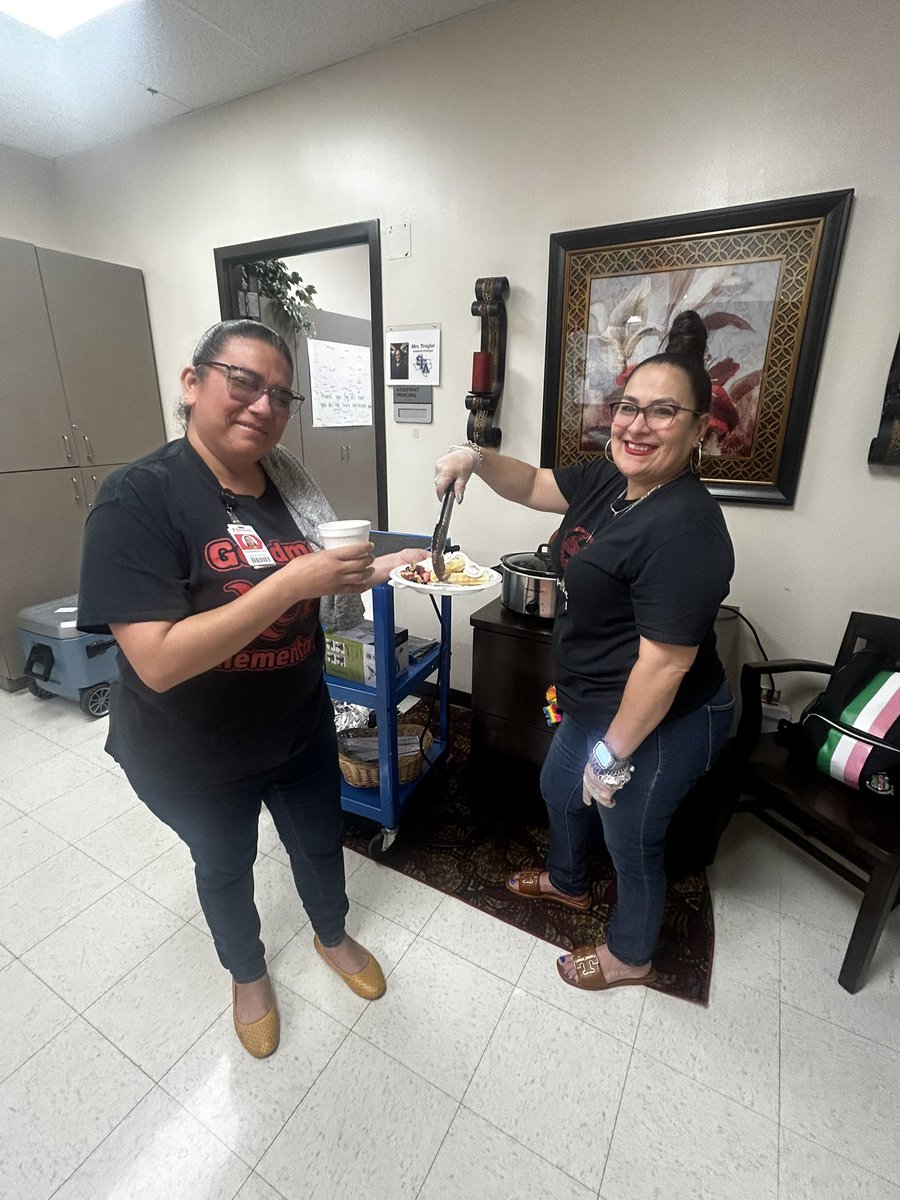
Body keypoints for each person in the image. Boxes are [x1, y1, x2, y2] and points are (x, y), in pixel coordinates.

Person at [78, 319, 425, 1056]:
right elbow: (160, 660)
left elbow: (328, 588)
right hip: (192, 753)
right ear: (193, 381)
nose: (264, 405)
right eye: (244, 382)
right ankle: (247, 973)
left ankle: (331, 936)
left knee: (319, 842)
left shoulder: (288, 489)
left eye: (280, 394)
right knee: (226, 864)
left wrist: (404, 567)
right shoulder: (138, 498)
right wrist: (290, 581)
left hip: (296, 725)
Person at [434, 311, 734, 992]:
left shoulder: (686, 529)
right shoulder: (610, 480)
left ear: (698, 430)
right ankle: (568, 883)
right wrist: (475, 458)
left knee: (630, 838)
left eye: (664, 413)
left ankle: (632, 954)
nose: (637, 425)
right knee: (556, 789)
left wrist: (614, 757)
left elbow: (664, 665)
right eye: (630, 406)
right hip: (592, 697)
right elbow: (535, 484)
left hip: (665, 718)